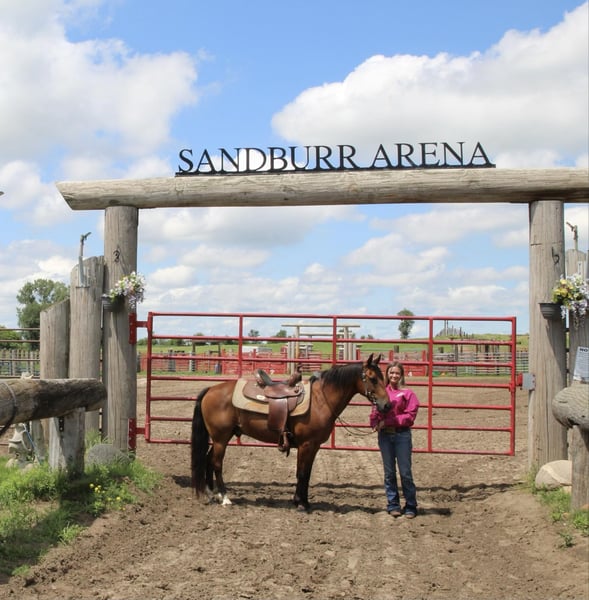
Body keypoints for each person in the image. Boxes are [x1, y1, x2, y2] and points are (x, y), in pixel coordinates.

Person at [369, 360, 419, 518]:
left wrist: (387, 422)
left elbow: (410, 416)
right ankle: (393, 504)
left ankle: (411, 505)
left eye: (397, 373)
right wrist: (374, 422)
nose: (394, 375)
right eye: (391, 372)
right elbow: (375, 409)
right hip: (385, 436)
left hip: (402, 435)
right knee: (389, 472)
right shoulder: (382, 392)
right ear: (387, 374)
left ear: (401, 375)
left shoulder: (408, 394)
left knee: (405, 472)